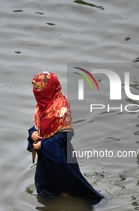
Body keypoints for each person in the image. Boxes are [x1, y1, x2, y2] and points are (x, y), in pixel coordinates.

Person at [27, 71, 104, 202]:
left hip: (61, 155)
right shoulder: (41, 105)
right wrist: (33, 133)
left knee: (77, 189)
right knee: (43, 188)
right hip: (44, 156)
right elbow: (37, 125)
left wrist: (43, 144)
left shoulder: (61, 106)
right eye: (35, 88)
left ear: (48, 88)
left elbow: (67, 134)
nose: (36, 91)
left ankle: (95, 205)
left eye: (39, 88)